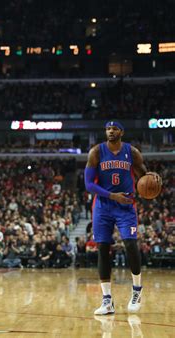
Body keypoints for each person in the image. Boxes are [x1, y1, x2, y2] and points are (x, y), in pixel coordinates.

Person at [85, 121, 161, 315]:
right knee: (102, 248)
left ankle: (137, 290)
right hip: (103, 204)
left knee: (130, 243)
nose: (110, 131)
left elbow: (144, 175)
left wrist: (153, 178)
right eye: (108, 129)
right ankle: (107, 300)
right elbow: (88, 184)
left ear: (121, 132)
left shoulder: (132, 152)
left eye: (114, 129)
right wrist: (111, 196)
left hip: (126, 204)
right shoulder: (96, 152)